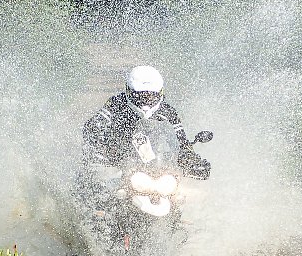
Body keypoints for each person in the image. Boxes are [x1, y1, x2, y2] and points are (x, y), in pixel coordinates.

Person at [82, 65, 210, 180]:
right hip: (117, 163)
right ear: (128, 91)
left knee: (184, 193)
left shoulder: (168, 111)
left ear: (160, 93)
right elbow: (93, 126)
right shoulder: (116, 103)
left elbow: (181, 141)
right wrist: (99, 151)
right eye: (140, 96)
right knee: (96, 185)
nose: (145, 101)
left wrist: (190, 159)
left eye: (150, 96)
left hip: (157, 167)